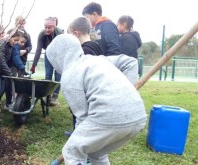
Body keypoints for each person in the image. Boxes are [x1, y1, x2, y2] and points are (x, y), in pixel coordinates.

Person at [47, 34, 147, 165]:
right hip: (138, 117)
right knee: (95, 151)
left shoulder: (70, 75)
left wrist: (79, 142)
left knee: (72, 151)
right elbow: (130, 62)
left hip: (109, 117)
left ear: (57, 57)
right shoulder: (98, 59)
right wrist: (125, 93)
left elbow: (82, 117)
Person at [30, 17, 64, 106]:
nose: (47, 29)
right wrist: (34, 65)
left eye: (50, 27)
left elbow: (62, 48)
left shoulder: (60, 33)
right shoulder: (42, 34)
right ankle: (46, 95)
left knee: (58, 74)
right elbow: (38, 49)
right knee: (48, 73)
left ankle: (55, 96)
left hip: (59, 54)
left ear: (54, 27)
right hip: (48, 52)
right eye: (46, 27)